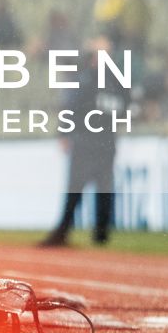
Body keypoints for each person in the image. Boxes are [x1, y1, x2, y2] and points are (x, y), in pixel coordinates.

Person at [39, 34, 125, 248]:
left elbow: (123, 110)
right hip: (86, 142)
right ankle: (63, 231)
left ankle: (101, 236)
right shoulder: (87, 79)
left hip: (105, 143)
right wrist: (64, 134)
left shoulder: (116, 81)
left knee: (103, 190)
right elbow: (70, 109)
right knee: (75, 189)